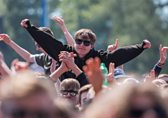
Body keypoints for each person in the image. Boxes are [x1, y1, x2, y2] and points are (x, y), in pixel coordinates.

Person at [20, 19, 151, 84]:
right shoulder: (65, 52)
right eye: (78, 41)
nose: (81, 45)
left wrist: (140, 47)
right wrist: (30, 28)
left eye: (86, 42)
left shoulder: (98, 56)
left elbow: (120, 55)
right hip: (65, 92)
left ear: (92, 45)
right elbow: (48, 42)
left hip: (89, 94)